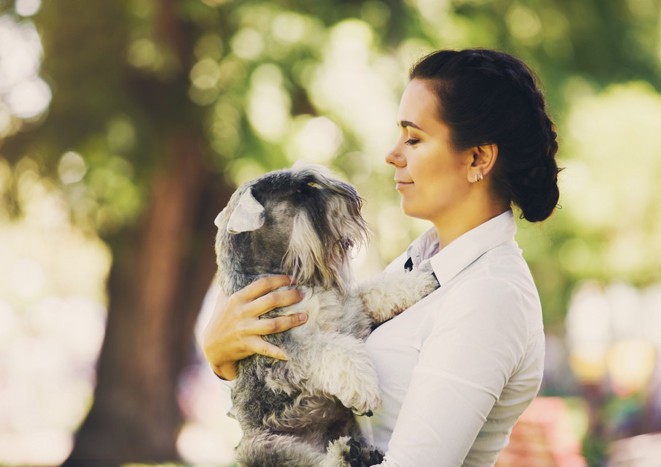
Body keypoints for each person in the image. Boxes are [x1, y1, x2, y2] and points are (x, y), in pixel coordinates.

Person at [202, 48, 560, 466]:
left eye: (414, 138)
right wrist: (224, 355)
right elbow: (302, 401)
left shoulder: (489, 297)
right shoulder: (422, 266)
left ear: (477, 158)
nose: (393, 154)